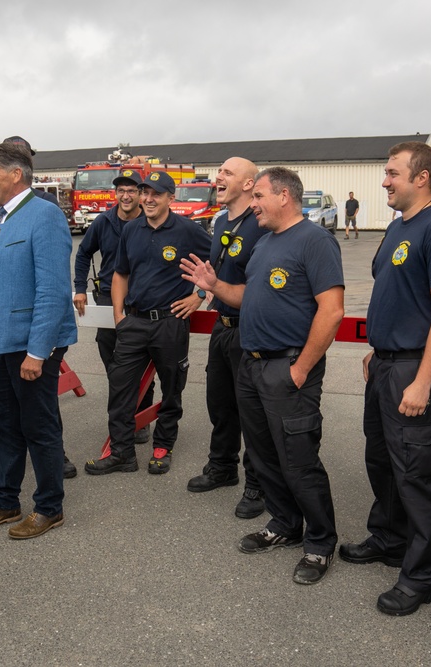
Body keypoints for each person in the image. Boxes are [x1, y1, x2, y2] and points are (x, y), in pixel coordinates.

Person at [182, 167, 344, 585]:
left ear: (285, 196)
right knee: (265, 454)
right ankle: (285, 524)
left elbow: (332, 311)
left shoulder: (315, 240)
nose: (253, 204)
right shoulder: (266, 243)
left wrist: (301, 369)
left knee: (299, 458)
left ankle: (321, 543)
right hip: (251, 365)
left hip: (287, 366)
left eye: (260, 197)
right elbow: (245, 296)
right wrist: (215, 285)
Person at [340, 142, 431, 615]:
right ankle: (389, 539)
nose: (384, 181)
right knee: (383, 461)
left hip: (418, 367)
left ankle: (421, 576)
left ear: (422, 178)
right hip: (389, 363)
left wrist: (423, 381)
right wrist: (379, 353)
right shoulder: (399, 228)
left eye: (392, 172)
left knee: (416, 474)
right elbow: (399, 296)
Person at [0, 141, 77, 540]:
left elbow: (53, 290)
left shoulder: (43, 216)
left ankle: (49, 507)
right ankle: (5, 501)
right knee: (6, 426)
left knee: (38, 426)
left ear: (15, 174)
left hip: (29, 347)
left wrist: (37, 351)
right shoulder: (1, 218)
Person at [84, 171, 210, 476]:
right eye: (145, 193)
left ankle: (162, 447)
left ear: (171, 197)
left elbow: (218, 262)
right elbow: (120, 274)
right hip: (134, 323)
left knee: (171, 388)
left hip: (170, 323)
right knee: (120, 387)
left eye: (156, 194)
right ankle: (122, 453)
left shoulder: (187, 230)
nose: (149, 199)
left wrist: (200, 295)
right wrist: (118, 316)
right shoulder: (132, 230)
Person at [184, 157, 268, 519]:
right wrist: (200, 295)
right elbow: (216, 272)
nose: (218, 177)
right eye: (219, 171)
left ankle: (258, 483)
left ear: (249, 184)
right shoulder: (221, 222)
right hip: (223, 325)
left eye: (227, 173)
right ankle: (222, 467)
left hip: (251, 329)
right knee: (220, 404)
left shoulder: (261, 224)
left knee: (253, 412)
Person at [72, 167, 153, 445]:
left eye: (132, 190)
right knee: (112, 355)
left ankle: (141, 417)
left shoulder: (151, 220)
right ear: (115, 193)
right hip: (107, 295)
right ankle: (124, 402)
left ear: (140, 195)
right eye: (122, 190)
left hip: (142, 298)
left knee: (142, 358)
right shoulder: (103, 222)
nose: (126, 195)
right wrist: (79, 289)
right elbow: (82, 254)